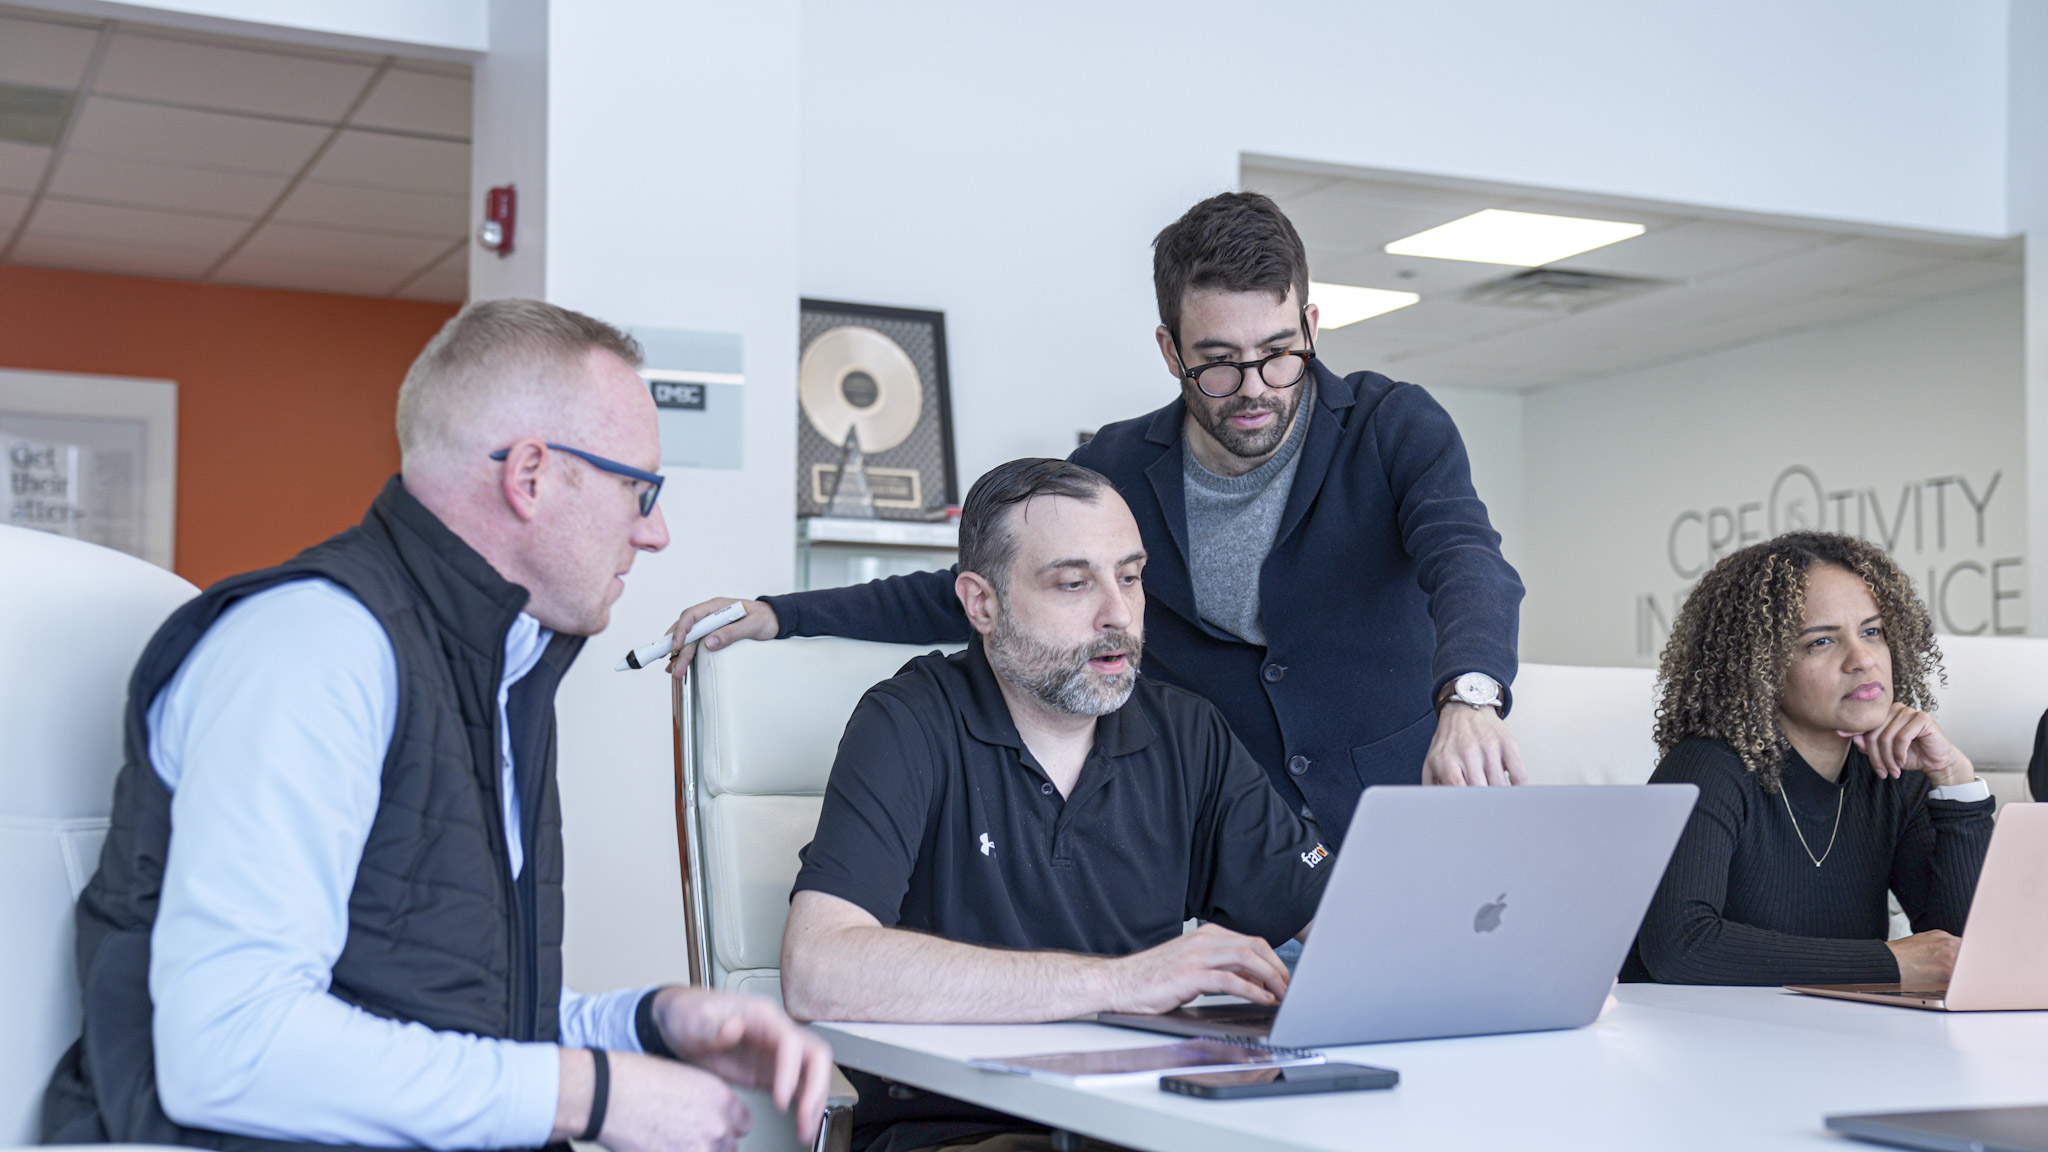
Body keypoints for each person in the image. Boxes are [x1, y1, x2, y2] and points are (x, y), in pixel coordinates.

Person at [42, 300, 833, 1152]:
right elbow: (233, 1047)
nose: (655, 531)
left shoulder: (495, 670)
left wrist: (647, 1025)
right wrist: (594, 1094)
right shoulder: (315, 648)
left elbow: (446, 1009)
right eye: (638, 488)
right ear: (530, 475)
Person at [669, 192, 1525, 852]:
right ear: (1169, 353)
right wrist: (785, 613)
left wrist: (1471, 698)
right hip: (1222, 853)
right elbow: (993, 594)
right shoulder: (1117, 469)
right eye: (1219, 365)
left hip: (1399, 828)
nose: (1256, 387)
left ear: (1308, 323)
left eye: (1278, 354)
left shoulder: (1390, 428)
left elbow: (1470, 565)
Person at [780, 458, 1330, 1152]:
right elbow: (818, 972)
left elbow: (1338, 929)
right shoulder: (909, 720)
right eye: (1074, 583)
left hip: (1155, 1121)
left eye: (1129, 577)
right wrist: (1126, 982)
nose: (1119, 615)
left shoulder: (1187, 731)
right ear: (982, 604)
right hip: (966, 1134)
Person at [1622, 531, 1994, 987]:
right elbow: (1680, 948)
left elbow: (1963, 953)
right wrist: (1889, 963)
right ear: (1758, 668)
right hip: (1704, 1041)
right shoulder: (1706, 768)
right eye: (1821, 642)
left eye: (1872, 632)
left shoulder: (1894, 774)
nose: (1862, 660)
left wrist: (1954, 783)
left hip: (1839, 1037)